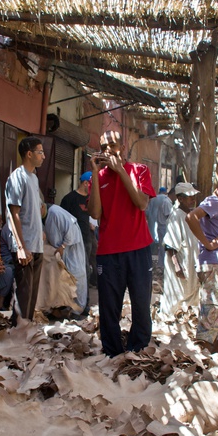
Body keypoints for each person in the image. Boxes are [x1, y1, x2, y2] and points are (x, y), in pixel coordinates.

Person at [88, 130, 156, 357]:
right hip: (108, 252)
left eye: (112, 144)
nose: (108, 149)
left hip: (138, 249)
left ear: (123, 147)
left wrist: (120, 172)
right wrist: (96, 176)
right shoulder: (97, 178)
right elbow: (96, 213)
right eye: (104, 145)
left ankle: (138, 350)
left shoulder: (140, 170)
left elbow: (141, 203)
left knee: (140, 305)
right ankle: (112, 353)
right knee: (108, 309)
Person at [186, 165, 218, 354]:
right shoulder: (213, 201)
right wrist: (207, 244)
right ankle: (202, 362)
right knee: (212, 314)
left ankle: (216, 361)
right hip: (212, 265)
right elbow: (191, 217)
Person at [5, 136, 46, 322]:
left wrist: (41, 229)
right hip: (25, 245)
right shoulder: (17, 177)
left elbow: (35, 209)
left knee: (31, 296)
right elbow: (13, 214)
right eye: (40, 152)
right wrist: (21, 247)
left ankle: (26, 334)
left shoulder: (34, 178)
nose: (43, 156)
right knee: (23, 295)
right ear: (29, 154)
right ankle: (17, 335)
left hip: (36, 243)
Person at [160, 182, 201, 319]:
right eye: (189, 197)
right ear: (180, 199)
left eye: (193, 197)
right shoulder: (176, 216)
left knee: (189, 297)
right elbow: (170, 247)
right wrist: (177, 267)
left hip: (190, 264)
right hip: (181, 265)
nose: (193, 200)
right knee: (176, 297)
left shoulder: (190, 215)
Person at [38, 203, 88, 315]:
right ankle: (62, 308)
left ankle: (78, 310)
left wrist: (63, 246)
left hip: (71, 250)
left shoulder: (55, 212)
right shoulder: (42, 218)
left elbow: (71, 229)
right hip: (59, 252)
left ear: (41, 206)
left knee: (76, 276)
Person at [60, 171, 96, 286]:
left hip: (88, 237)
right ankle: (81, 299)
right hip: (74, 240)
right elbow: (62, 220)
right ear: (85, 183)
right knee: (80, 269)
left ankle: (90, 289)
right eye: (92, 184)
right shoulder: (69, 199)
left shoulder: (92, 199)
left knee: (93, 266)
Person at [146, 186, 174, 272]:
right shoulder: (166, 200)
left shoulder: (154, 198)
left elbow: (148, 210)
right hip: (163, 224)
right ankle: (162, 263)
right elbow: (169, 215)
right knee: (164, 245)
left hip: (154, 219)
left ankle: (157, 258)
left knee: (153, 234)